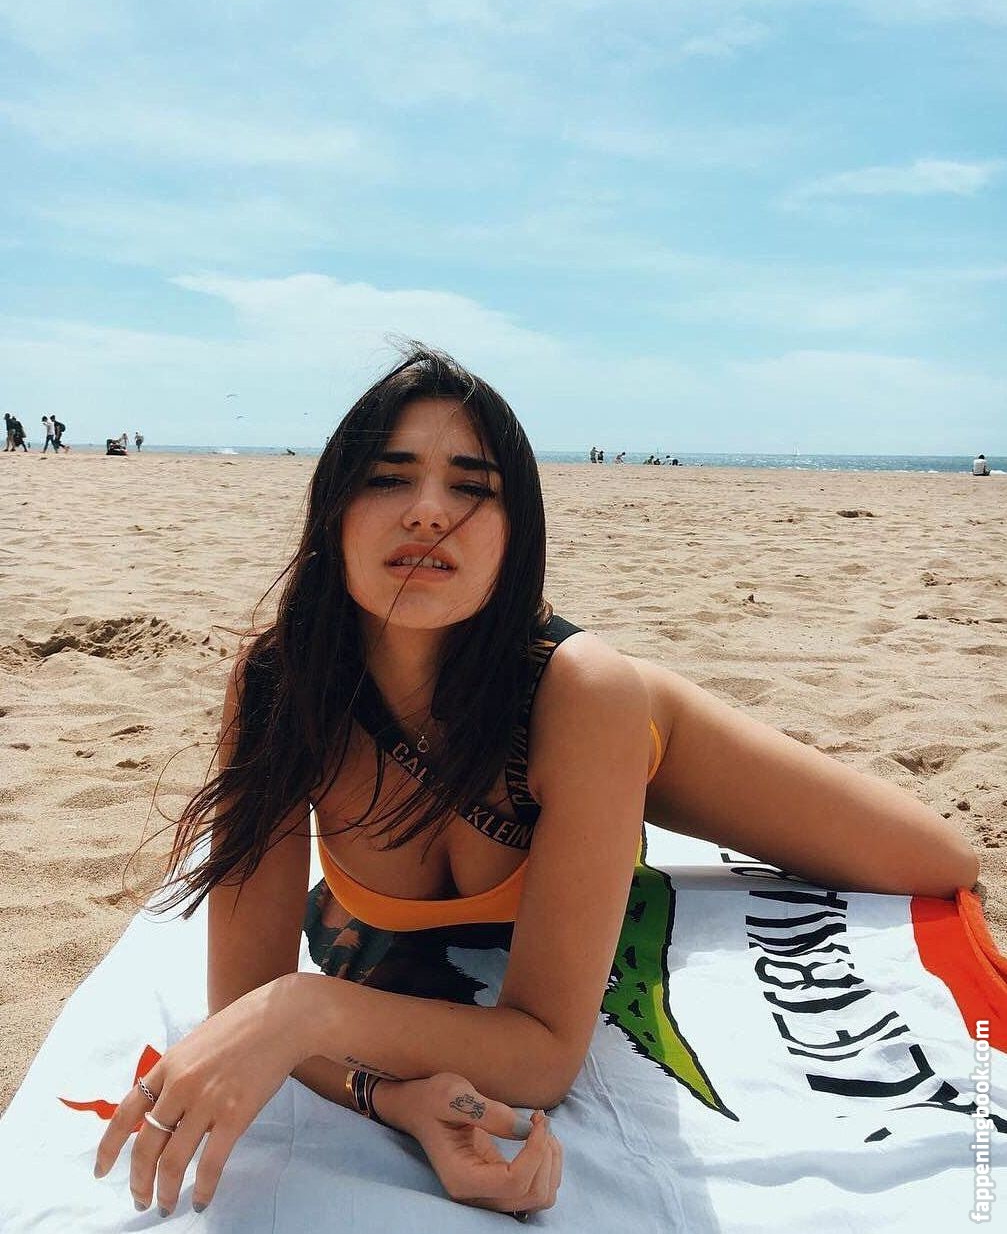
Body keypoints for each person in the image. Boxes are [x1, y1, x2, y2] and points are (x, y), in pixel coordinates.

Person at [94, 346, 979, 1221]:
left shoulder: (585, 694)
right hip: (547, 748)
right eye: (387, 478)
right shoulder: (283, 689)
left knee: (933, 862)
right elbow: (241, 1012)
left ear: (515, 534)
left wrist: (308, 1005)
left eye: (471, 487)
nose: (428, 510)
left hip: (612, 734)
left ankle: (615, 784)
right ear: (332, 515)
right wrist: (395, 1098)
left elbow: (545, 1052)